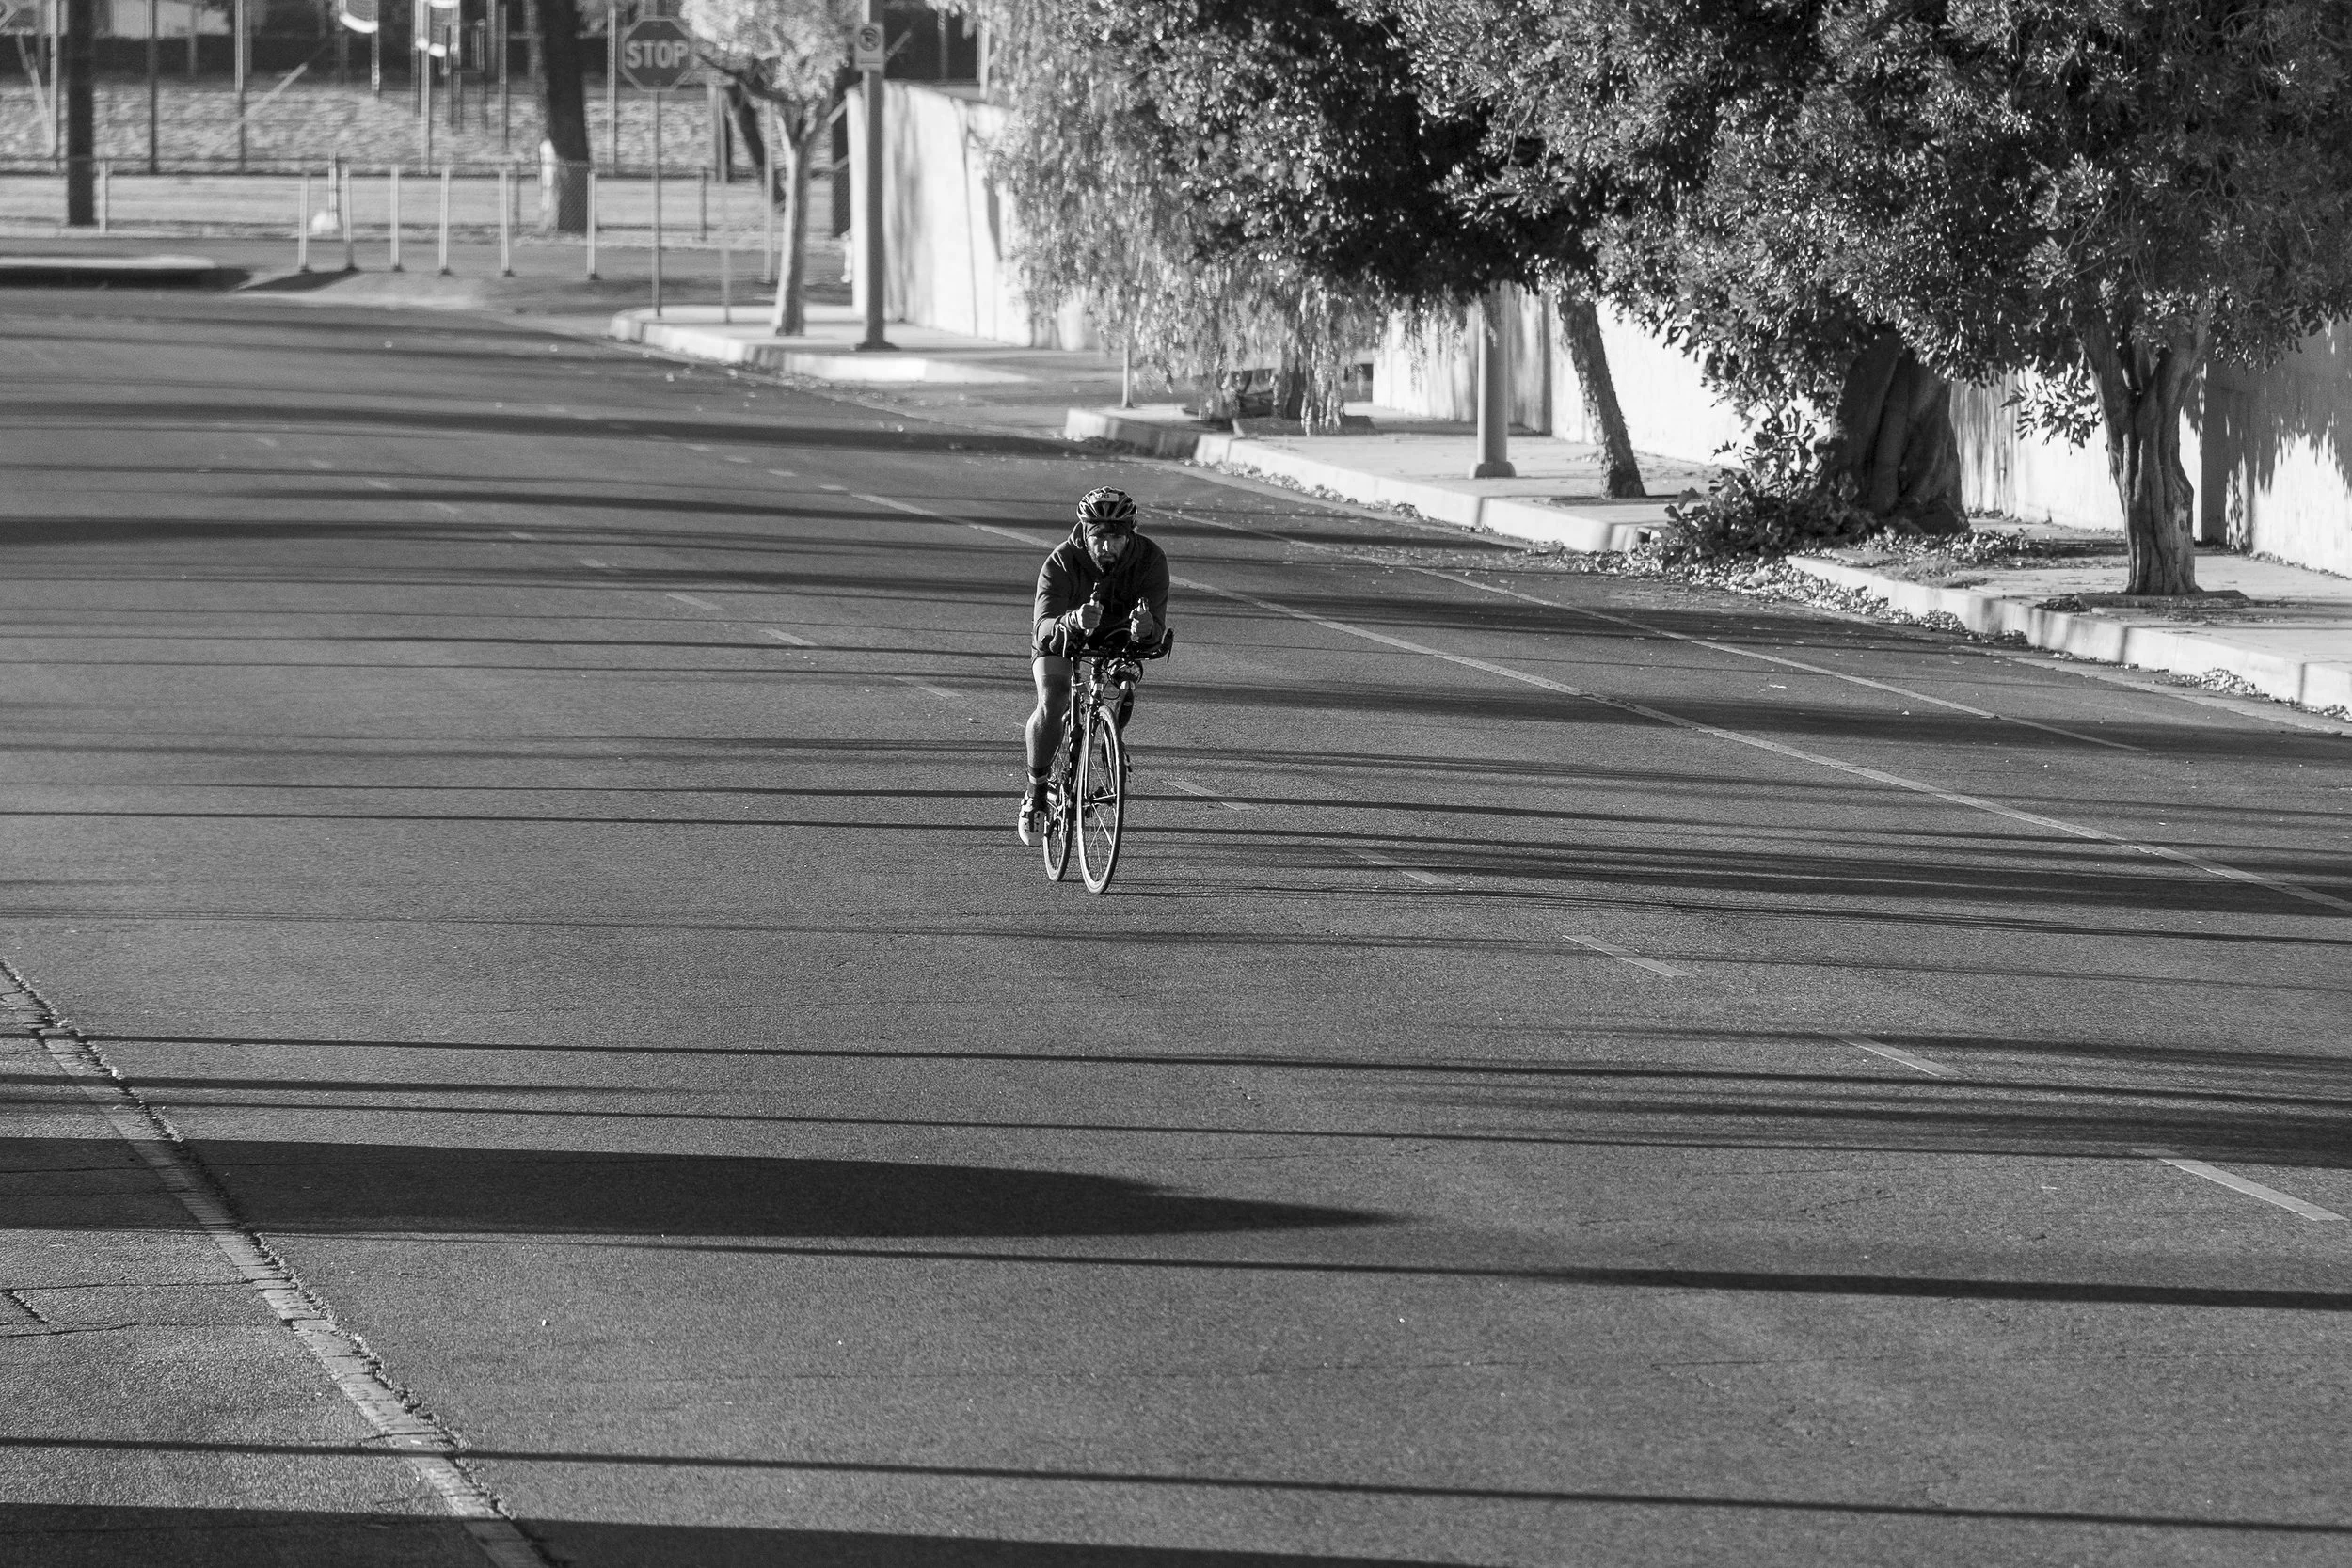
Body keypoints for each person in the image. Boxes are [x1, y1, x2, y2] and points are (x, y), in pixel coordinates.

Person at [1018, 486, 1169, 843]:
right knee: (1053, 698)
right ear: (1085, 532)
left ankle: (1109, 743)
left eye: (1116, 537)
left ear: (1130, 533)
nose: (1107, 546)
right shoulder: (1061, 561)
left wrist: (1146, 630)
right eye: (1099, 537)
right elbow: (1043, 629)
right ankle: (1037, 788)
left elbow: (1157, 634)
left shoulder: (1150, 560)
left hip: (1118, 637)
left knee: (1127, 676)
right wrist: (1070, 620)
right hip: (1063, 637)